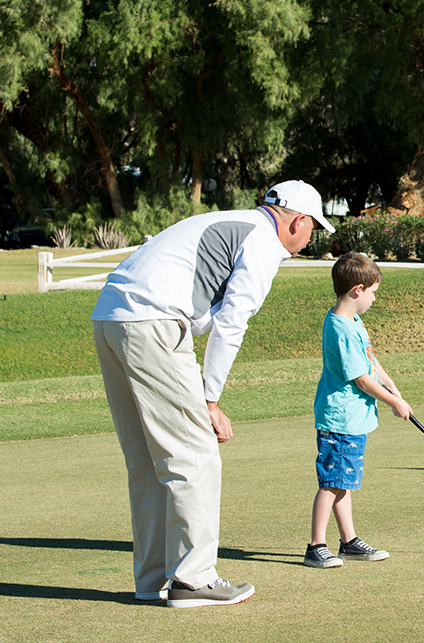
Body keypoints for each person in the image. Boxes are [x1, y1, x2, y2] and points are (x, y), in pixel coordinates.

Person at [91, 180, 335, 607]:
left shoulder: (233, 222)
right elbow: (231, 323)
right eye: (313, 227)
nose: (310, 237)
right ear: (298, 221)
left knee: (149, 461)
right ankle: (193, 579)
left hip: (110, 318)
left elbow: (205, 311)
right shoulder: (262, 242)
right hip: (153, 321)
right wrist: (209, 399)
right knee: (195, 455)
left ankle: (152, 582)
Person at [304, 252, 412, 569]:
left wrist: (391, 384)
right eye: (374, 292)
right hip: (340, 418)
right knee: (332, 483)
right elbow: (362, 379)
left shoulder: (353, 320)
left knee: (344, 481)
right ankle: (315, 546)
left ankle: (349, 541)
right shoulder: (340, 328)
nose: (374, 299)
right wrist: (393, 402)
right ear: (357, 291)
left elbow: (370, 361)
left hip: (353, 418)